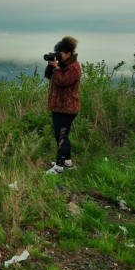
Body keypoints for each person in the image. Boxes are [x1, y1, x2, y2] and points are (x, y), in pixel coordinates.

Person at [44, 36, 81, 175]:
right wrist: (51, 65)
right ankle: (67, 162)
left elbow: (63, 82)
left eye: (61, 53)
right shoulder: (64, 66)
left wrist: (57, 68)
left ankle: (59, 168)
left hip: (67, 109)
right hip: (60, 107)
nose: (59, 55)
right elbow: (48, 76)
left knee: (61, 137)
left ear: (69, 53)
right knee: (63, 136)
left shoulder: (73, 67)